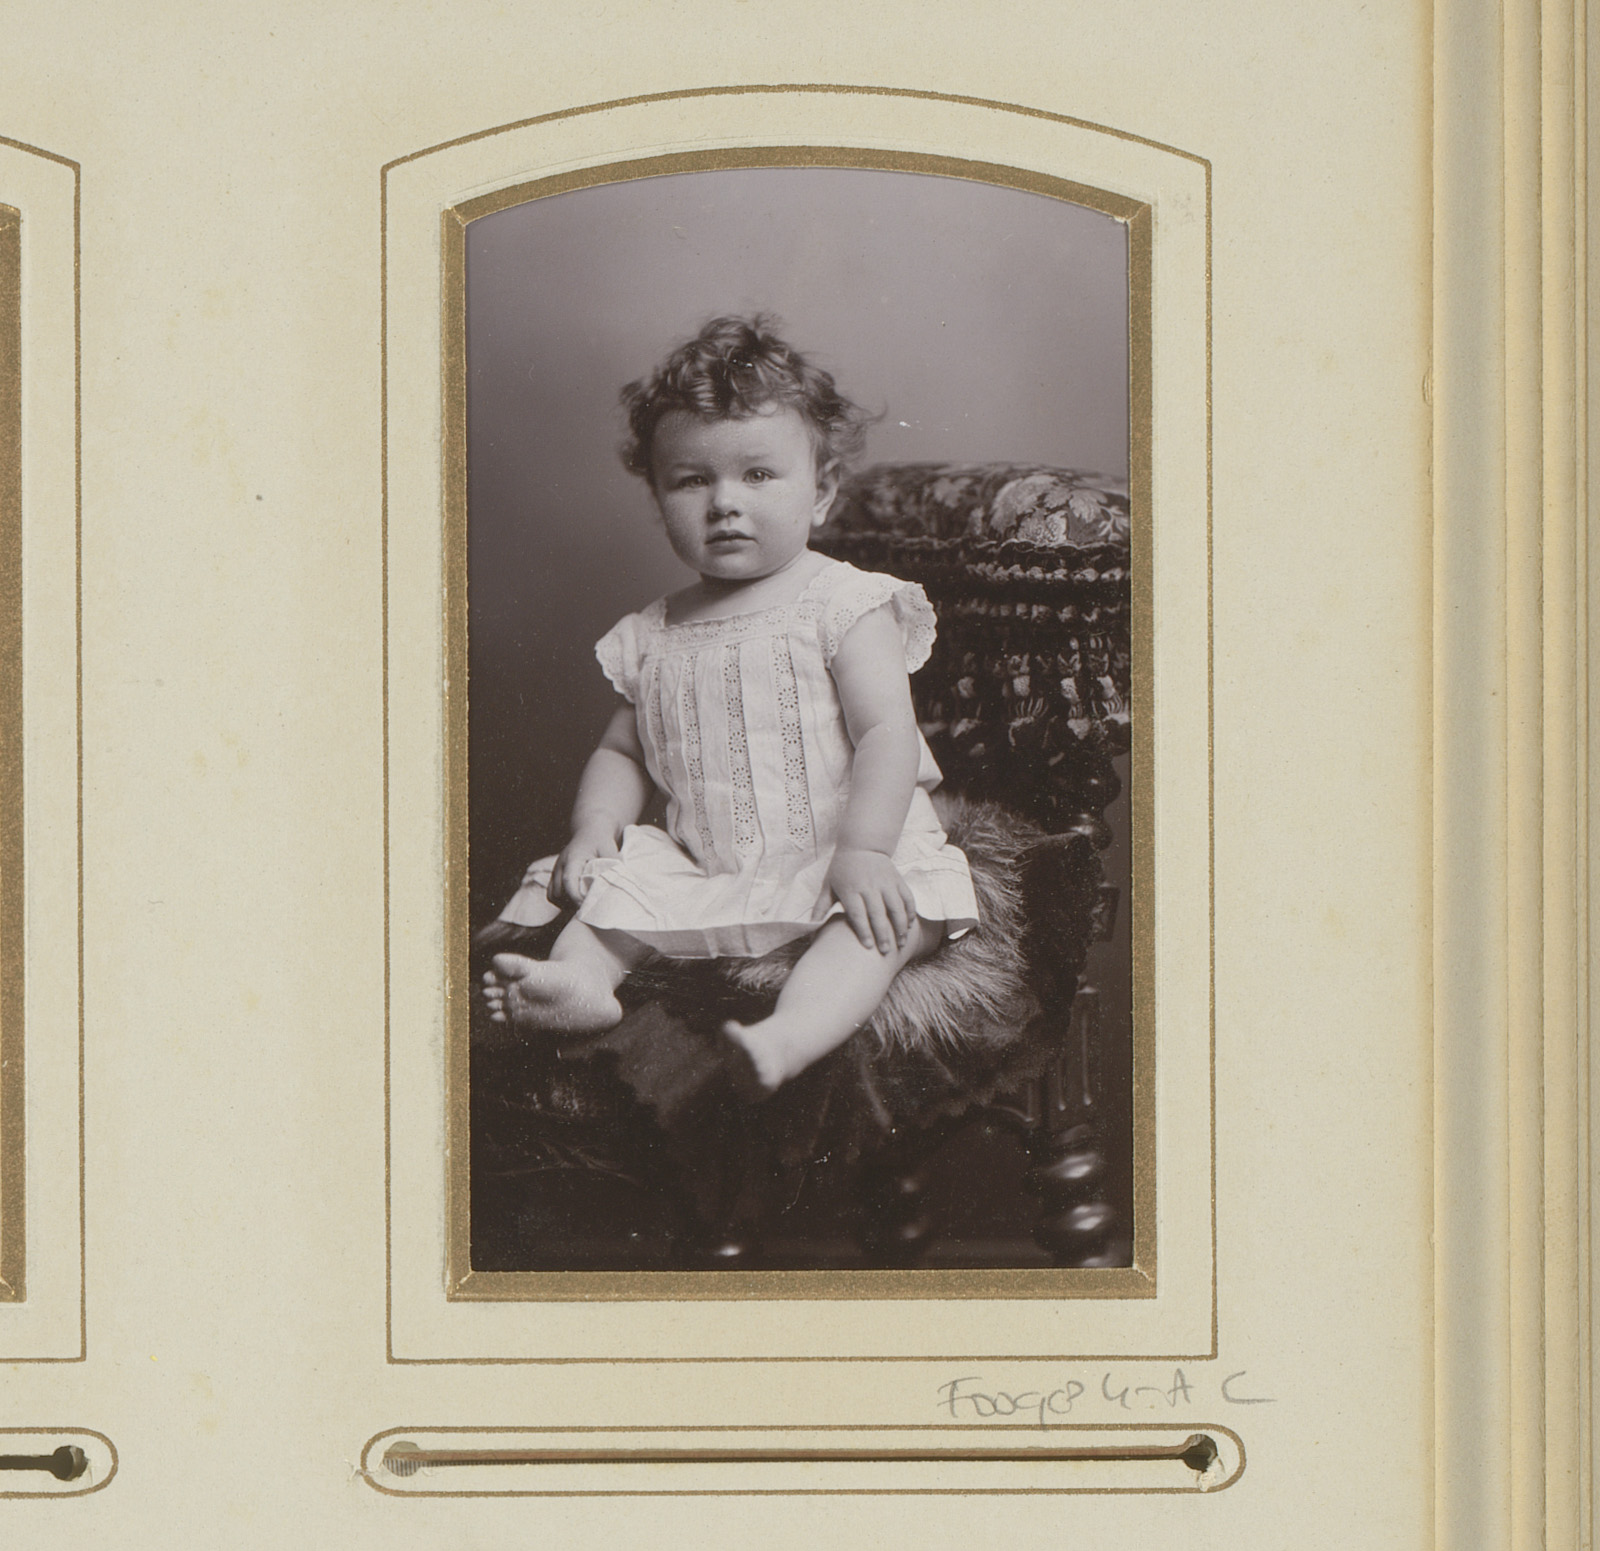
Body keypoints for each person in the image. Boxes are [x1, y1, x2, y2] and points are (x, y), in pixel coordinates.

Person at [482, 316, 979, 1093]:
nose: (723, 503)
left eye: (758, 475)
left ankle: (788, 1035)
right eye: (691, 480)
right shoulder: (653, 632)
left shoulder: (842, 602)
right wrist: (594, 826)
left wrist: (865, 850)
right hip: (710, 861)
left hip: (842, 847)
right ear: (658, 498)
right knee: (616, 887)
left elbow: (889, 731)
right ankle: (582, 984)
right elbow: (622, 750)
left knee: (879, 925)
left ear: (821, 491)